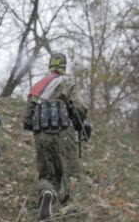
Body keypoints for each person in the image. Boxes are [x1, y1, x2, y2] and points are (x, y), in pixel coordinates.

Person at [23, 53, 89, 221]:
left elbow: (26, 119)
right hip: (63, 133)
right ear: (64, 67)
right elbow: (80, 107)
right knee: (71, 172)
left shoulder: (38, 86)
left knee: (47, 175)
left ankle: (47, 193)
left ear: (50, 66)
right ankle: (71, 211)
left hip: (41, 135)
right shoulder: (68, 83)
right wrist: (79, 121)